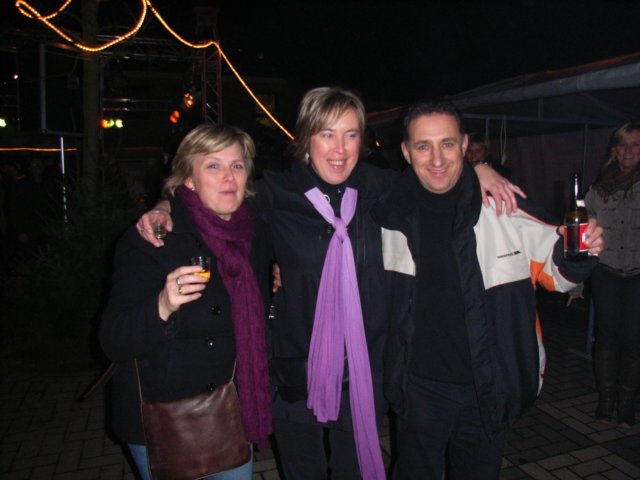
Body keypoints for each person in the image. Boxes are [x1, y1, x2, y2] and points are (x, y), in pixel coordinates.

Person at [137, 87, 522, 480]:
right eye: (327, 134)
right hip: (297, 370)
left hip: (364, 372)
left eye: (350, 135)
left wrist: (479, 170)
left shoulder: (383, 188)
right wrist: (166, 204)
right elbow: (217, 205)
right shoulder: (277, 192)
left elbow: (439, 177)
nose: (340, 149)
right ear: (306, 139)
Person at [371, 101, 604, 480]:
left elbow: (560, 272)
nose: (436, 159)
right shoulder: (388, 215)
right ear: (406, 151)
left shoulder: (504, 206)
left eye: (447, 144)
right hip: (418, 387)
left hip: (488, 387)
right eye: (423, 146)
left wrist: (582, 249)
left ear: (465, 145)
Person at [99, 124, 272, 480]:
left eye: (237, 166)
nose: (228, 177)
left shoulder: (253, 233)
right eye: (213, 166)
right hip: (167, 420)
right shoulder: (156, 237)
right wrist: (162, 305)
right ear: (189, 179)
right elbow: (113, 340)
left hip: (230, 413)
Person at [585, 122, 640, 427]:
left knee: (634, 337)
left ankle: (627, 405)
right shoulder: (598, 188)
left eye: (635, 144)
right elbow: (583, 234)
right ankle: (606, 402)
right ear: (614, 150)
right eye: (622, 144)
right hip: (606, 272)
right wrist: (575, 282)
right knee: (606, 336)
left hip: (638, 275)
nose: (627, 151)